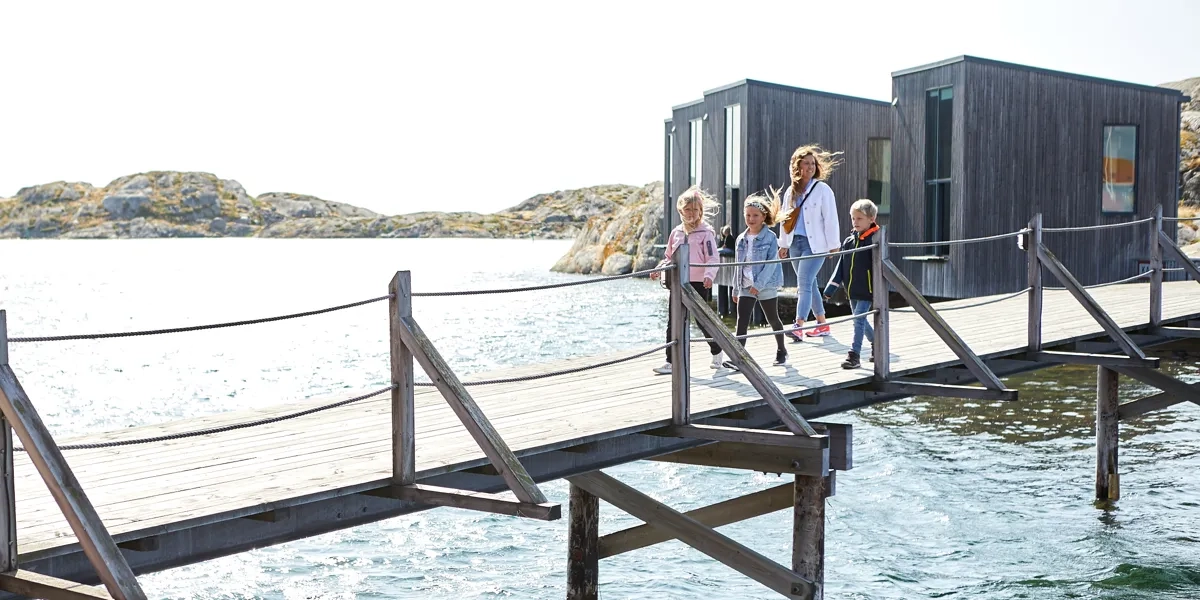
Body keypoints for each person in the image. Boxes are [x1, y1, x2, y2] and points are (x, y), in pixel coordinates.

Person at [649, 186, 726, 374]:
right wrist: (659, 269)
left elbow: (712, 258)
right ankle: (671, 361)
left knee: (702, 321)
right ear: (681, 210)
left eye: (695, 209)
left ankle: (717, 351)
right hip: (677, 283)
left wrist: (709, 276)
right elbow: (669, 256)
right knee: (673, 320)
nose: (691, 213)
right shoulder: (676, 233)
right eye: (688, 209)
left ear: (700, 211)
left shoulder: (705, 233)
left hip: (699, 283)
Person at [776, 145, 842, 342]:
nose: (810, 167)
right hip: (795, 243)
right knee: (810, 283)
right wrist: (783, 244)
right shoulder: (791, 191)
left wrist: (834, 244)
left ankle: (798, 325)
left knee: (803, 283)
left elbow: (831, 218)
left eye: (813, 163)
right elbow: (785, 219)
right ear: (797, 166)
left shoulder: (823, 190)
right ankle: (822, 324)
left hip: (816, 245)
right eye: (806, 163)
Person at [728, 194, 788, 368]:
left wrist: (759, 285)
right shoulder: (741, 239)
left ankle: (781, 350)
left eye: (755, 215)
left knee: (773, 319)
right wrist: (735, 289)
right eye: (748, 215)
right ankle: (738, 358)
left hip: (766, 284)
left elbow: (771, 264)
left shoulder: (770, 238)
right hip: (746, 285)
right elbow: (738, 265)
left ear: (763, 217)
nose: (751, 219)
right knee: (742, 320)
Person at [826, 199, 880, 369]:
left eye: (859, 218)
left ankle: (854, 355)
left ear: (871, 219)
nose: (855, 222)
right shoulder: (849, 241)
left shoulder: (875, 240)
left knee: (858, 320)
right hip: (851, 289)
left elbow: (879, 266)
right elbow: (841, 265)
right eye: (853, 218)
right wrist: (831, 287)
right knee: (859, 319)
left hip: (866, 289)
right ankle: (877, 343)